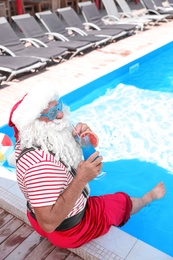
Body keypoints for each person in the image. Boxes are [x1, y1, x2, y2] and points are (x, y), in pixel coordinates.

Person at [9, 85, 166, 249]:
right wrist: (81, 179)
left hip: (36, 217)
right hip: (71, 231)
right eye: (52, 113)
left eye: (59, 107)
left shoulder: (35, 136)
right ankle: (148, 198)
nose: (61, 114)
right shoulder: (39, 165)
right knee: (122, 201)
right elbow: (48, 223)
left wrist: (83, 140)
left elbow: (65, 162)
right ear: (34, 122)